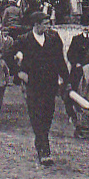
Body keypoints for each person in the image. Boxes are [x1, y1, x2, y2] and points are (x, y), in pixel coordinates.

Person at [13, 11, 69, 166]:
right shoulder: (24, 40)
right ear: (36, 25)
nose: (48, 26)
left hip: (50, 84)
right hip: (33, 85)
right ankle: (44, 150)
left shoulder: (54, 38)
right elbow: (9, 57)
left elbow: (60, 60)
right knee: (36, 115)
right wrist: (19, 74)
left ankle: (42, 142)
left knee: (47, 115)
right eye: (45, 23)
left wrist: (66, 78)